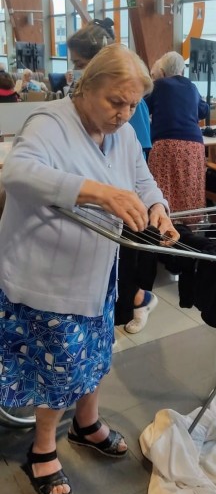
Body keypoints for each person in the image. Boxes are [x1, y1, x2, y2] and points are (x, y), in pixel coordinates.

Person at [0, 45, 179, 494]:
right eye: (115, 102)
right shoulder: (49, 123)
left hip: (97, 271)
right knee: (57, 364)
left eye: (133, 105)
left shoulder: (121, 134)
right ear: (85, 87)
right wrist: (97, 192)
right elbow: (16, 173)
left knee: (97, 353)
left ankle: (85, 423)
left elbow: (141, 179)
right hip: (49, 275)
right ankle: (43, 447)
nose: (124, 114)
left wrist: (158, 206)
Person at [67, 21, 155, 335]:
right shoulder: (72, 115)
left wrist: (148, 201)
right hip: (96, 220)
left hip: (121, 202)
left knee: (124, 259)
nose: (77, 72)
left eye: (80, 64)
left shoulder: (126, 109)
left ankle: (137, 301)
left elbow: (137, 161)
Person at [145, 50, 209, 215]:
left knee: (163, 187)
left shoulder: (159, 85)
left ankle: (163, 220)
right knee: (189, 188)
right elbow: (204, 110)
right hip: (193, 145)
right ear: (183, 70)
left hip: (165, 143)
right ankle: (190, 224)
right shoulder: (192, 87)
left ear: (162, 72)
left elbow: (143, 107)